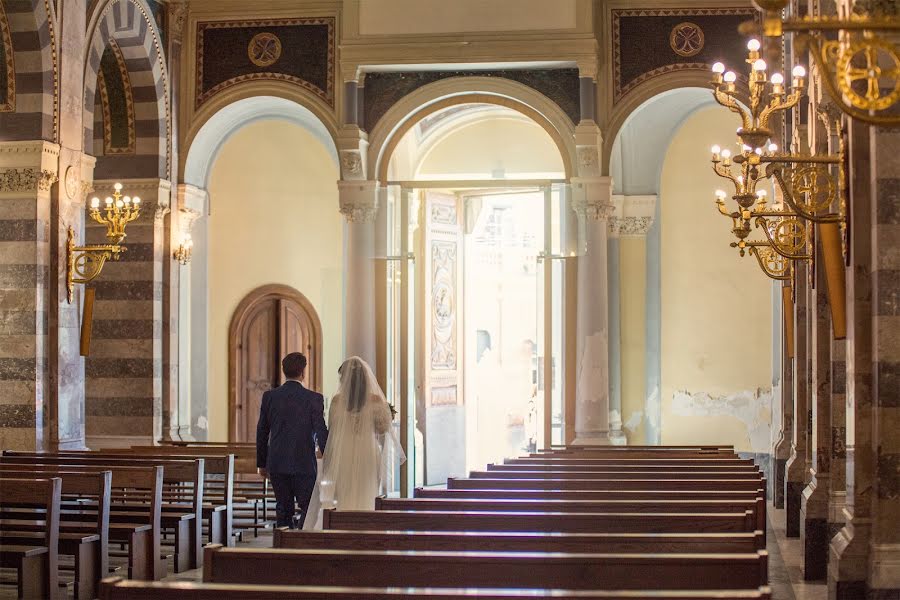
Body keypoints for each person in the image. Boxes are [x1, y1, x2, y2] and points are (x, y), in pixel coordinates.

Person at [303, 356, 405, 530]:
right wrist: (386, 415)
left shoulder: (336, 402)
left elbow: (334, 430)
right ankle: (364, 529)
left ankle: (344, 528)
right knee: (367, 492)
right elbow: (381, 430)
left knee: (344, 494)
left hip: (344, 453)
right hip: (368, 454)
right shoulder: (375, 401)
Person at [256, 352, 328, 529]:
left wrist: (262, 464)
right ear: (303, 372)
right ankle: (302, 547)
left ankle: (284, 548)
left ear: (283, 371)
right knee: (308, 509)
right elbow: (320, 430)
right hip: (304, 462)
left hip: (278, 462)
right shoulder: (314, 398)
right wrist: (328, 456)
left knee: (283, 509)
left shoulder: (270, 397)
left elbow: (262, 432)